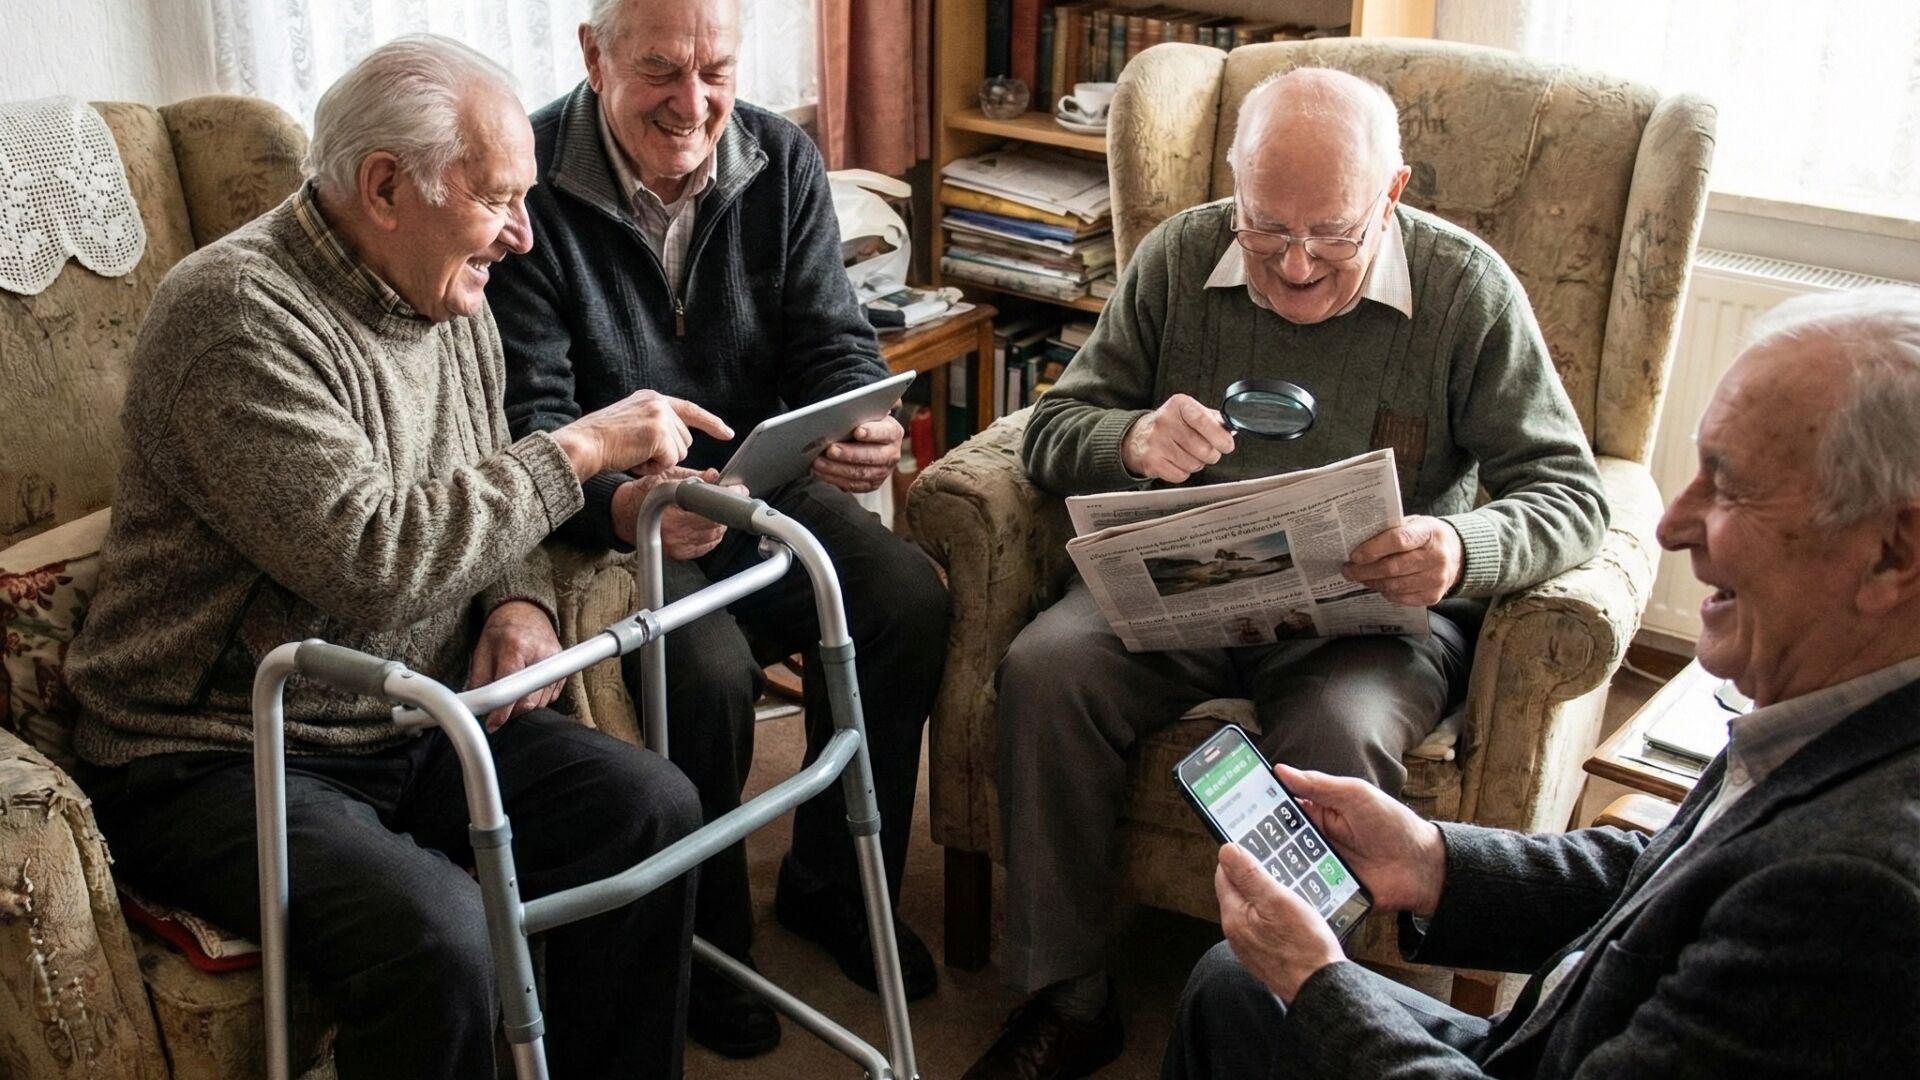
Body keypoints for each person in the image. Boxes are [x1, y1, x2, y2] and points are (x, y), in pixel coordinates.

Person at [64, 36, 732, 1080]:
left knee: (650, 811)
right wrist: (583, 446)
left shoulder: (447, 290)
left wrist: (519, 604)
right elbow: (376, 557)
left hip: (401, 708)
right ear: (384, 187)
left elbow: (485, 485)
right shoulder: (235, 317)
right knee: (442, 937)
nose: (520, 236)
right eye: (497, 199)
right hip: (216, 751)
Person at [968, 68, 1609, 1078]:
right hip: (1185, 584)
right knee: (1049, 671)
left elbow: (1573, 495)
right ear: (1234, 185)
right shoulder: (1182, 254)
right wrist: (1131, 440)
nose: (1297, 264)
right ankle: (1071, 996)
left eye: (1334, 233)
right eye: (1266, 227)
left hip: (1367, 618)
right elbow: (1049, 430)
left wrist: (1460, 548)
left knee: (1340, 734)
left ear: (1392, 193)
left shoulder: (1465, 289)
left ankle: (1297, 1014)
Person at [1166, 285, 1920, 1079]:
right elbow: (1668, 881)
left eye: (1730, 486)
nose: (1671, 525)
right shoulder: (1834, 717)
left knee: (1279, 994)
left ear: (1894, 553)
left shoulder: (1856, 897)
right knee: (1232, 982)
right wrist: (1431, 860)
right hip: (1565, 1034)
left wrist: (1318, 984)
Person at [486, 0, 950, 1055]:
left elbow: (833, 338)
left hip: (757, 482)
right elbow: (532, 419)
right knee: (705, 670)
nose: (692, 103)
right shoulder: (531, 185)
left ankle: (827, 883)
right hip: (617, 522)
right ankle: (706, 941)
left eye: (716, 69)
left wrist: (863, 417)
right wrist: (622, 501)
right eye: (660, 70)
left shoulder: (779, 154)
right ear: (594, 56)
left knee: (908, 599)